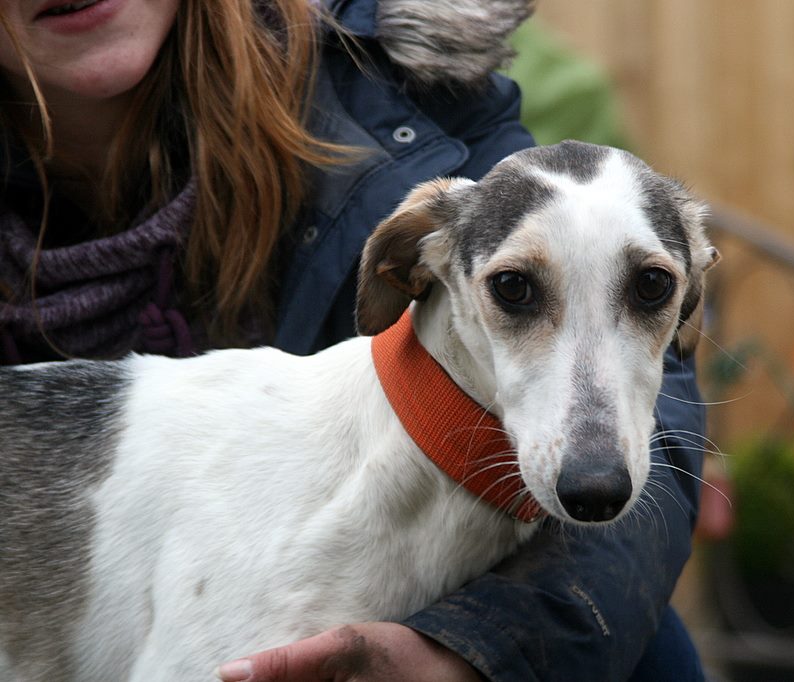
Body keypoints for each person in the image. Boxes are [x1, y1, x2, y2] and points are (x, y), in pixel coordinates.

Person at [0, 0, 707, 679]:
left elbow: (662, 418)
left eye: (651, 290)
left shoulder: (413, 94)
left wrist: (475, 655)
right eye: (516, 291)